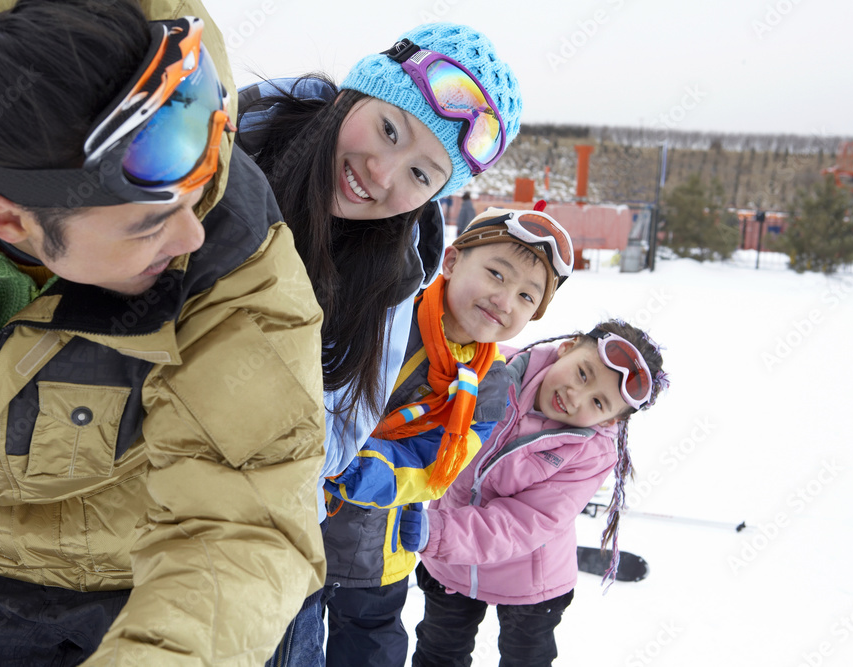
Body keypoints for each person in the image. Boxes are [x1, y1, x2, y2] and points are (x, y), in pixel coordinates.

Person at [0, 1, 326, 665]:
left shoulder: (229, 246)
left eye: (193, 196)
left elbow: (247, 515)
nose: (190, 235)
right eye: (147, 225)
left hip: (160, 566)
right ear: (11, 224)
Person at [235, 23, 523, 666]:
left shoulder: (391, 274)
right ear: (356, 95)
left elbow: (338, 431)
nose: (381, 173)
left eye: (421, 173)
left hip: (268, 551)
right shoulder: (220, 159)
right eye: (389, 129)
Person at [321, 207, 575, 666]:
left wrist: (349, 465)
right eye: (496, 273)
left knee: (369, 650)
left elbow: (437, 466)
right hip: (294, 521)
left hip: (376, 554)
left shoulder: (490, 388)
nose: (504, 299)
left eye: (525, 296)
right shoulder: (385, 307)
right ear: (452, 261)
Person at [406, 319, 668, 667]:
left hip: (530, 583)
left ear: (609, 422)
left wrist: (434, 532)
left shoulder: (589, 454)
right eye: (583, 374)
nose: (575, 396)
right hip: (450, 565)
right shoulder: (494, 371)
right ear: (567, 348)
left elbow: (524, 522)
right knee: (439, 653)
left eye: (598, 403)